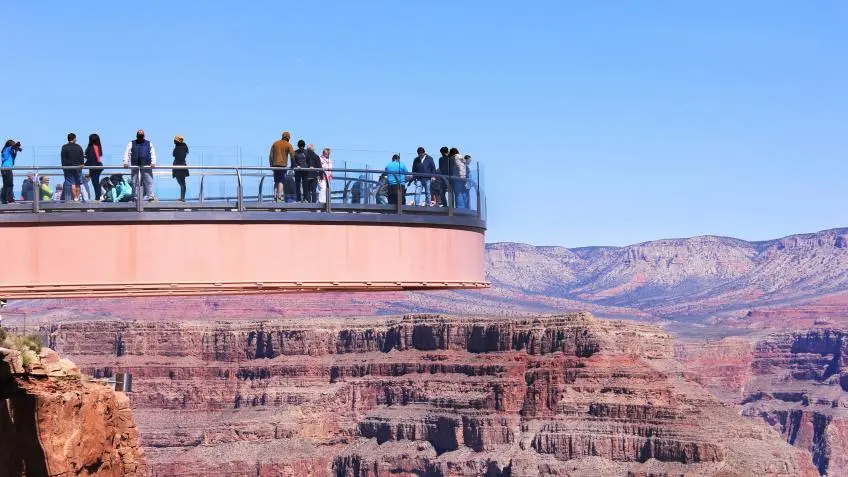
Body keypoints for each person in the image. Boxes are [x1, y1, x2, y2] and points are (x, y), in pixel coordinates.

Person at [122, 129, 157, 201]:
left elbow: (152, 153)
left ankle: (150, 196)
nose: (140, 136)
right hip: (135, 165)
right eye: (139, 135)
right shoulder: (131, 143)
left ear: (144, 136)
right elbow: (127, 152)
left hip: (146, 165)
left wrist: (153, 162)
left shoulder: (149, 143)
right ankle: (135, 197)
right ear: (137, 135)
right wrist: (126, 162)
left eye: (142, 135)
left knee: (148, 181)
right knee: (134, 181)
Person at [268, 131, 294, 202]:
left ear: (282, 136)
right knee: (281, 181)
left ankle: (275, 197)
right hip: (283, 165)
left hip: (275, 165)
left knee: (276, 181)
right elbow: (292, 155)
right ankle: (279, 197)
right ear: (288, 138)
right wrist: (292, 165)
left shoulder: (275, 143)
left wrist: (271, 165)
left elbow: (270, 156)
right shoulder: (288, 144)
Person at [60, 133, 85, 202]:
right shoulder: (78, 147)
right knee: (78, 183)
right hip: (78, 167)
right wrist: (82, 164)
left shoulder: (64, 147)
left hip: (68, 167)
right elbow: (81, 157)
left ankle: (74, 197)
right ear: (74, 139)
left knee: (71, 183)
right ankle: (77, 197)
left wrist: (64, 167)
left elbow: (63, 158)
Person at [85, 134, 104, 200]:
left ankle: (97, 198)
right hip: (98, 166)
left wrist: (84, 164)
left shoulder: (91, 147)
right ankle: (97, 197)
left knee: (95, 183)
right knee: (96, 183)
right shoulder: (98, 146)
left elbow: (91, 157)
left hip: (94, 166)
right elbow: (96, 156)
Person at [172, 135, 190, 201]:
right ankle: (182, 197)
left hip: (179, 167)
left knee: (182, 183)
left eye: (175, 140)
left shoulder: (179, 147)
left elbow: (174, 154)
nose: (174, 141)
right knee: (182, 183)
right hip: (182, 166)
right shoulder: (183, 147)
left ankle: (182, 198)